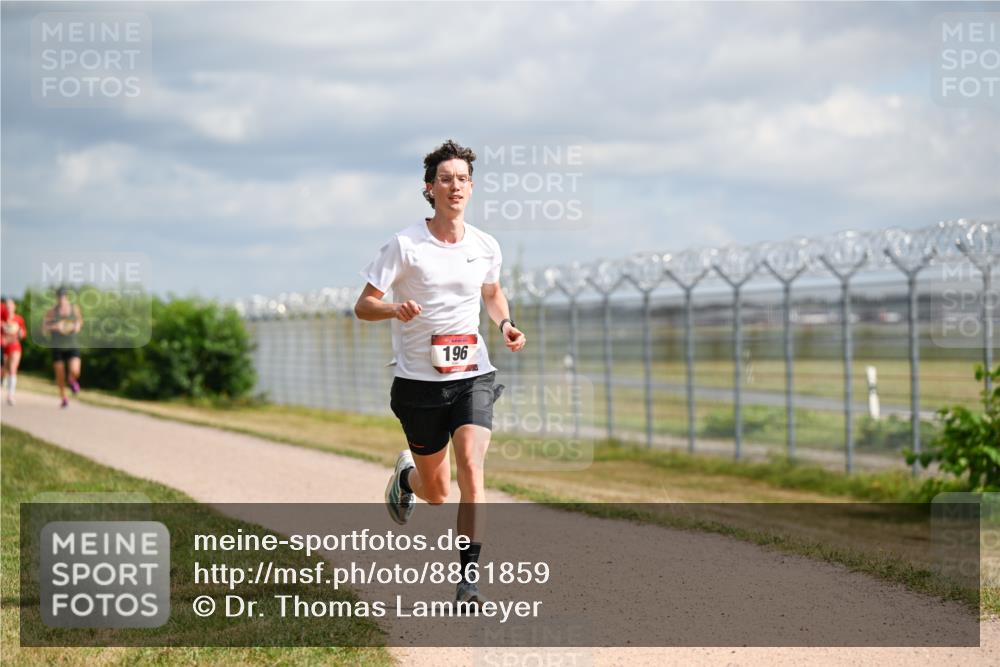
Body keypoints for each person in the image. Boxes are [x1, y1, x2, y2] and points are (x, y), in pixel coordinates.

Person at [355, 140, 526, 606]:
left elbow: (492, 293)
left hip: (473, 374)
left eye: (463, 179)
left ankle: (469, 580)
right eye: (446, 179)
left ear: (471, 188)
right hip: (418, 384)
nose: (456, 186)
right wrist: (394, 308)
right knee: (437, 492)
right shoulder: (405, 245)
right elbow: (363, 305)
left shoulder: (484, 244)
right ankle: (405, 480)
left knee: (472, 466)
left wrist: (506, 323)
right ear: (430, 189)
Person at [42, 287, 83, 408]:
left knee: (75, 370)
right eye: (60, 297)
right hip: (58, 347)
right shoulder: (52, 312)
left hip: (72, 345)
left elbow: (80, 322)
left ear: (67, 297)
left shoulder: (74, 309)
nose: (62, 299)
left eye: (64, 296)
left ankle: (72, 381)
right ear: (57, 298)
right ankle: (64, 398)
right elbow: (44, 329)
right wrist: (56, 326)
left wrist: (77, 326)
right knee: (60, 375)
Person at [1, 297, 27, 405]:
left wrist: (21, 334)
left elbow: (23, 332)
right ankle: (3, 379)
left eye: (11, 305)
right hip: (4, 347)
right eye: (7, 306)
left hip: (15, 346)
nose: (9, 308)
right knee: (4, 370)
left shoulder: (19, 319)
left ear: (15, 306)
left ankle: (10, 395)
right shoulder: (2, 320)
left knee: (13, 369)